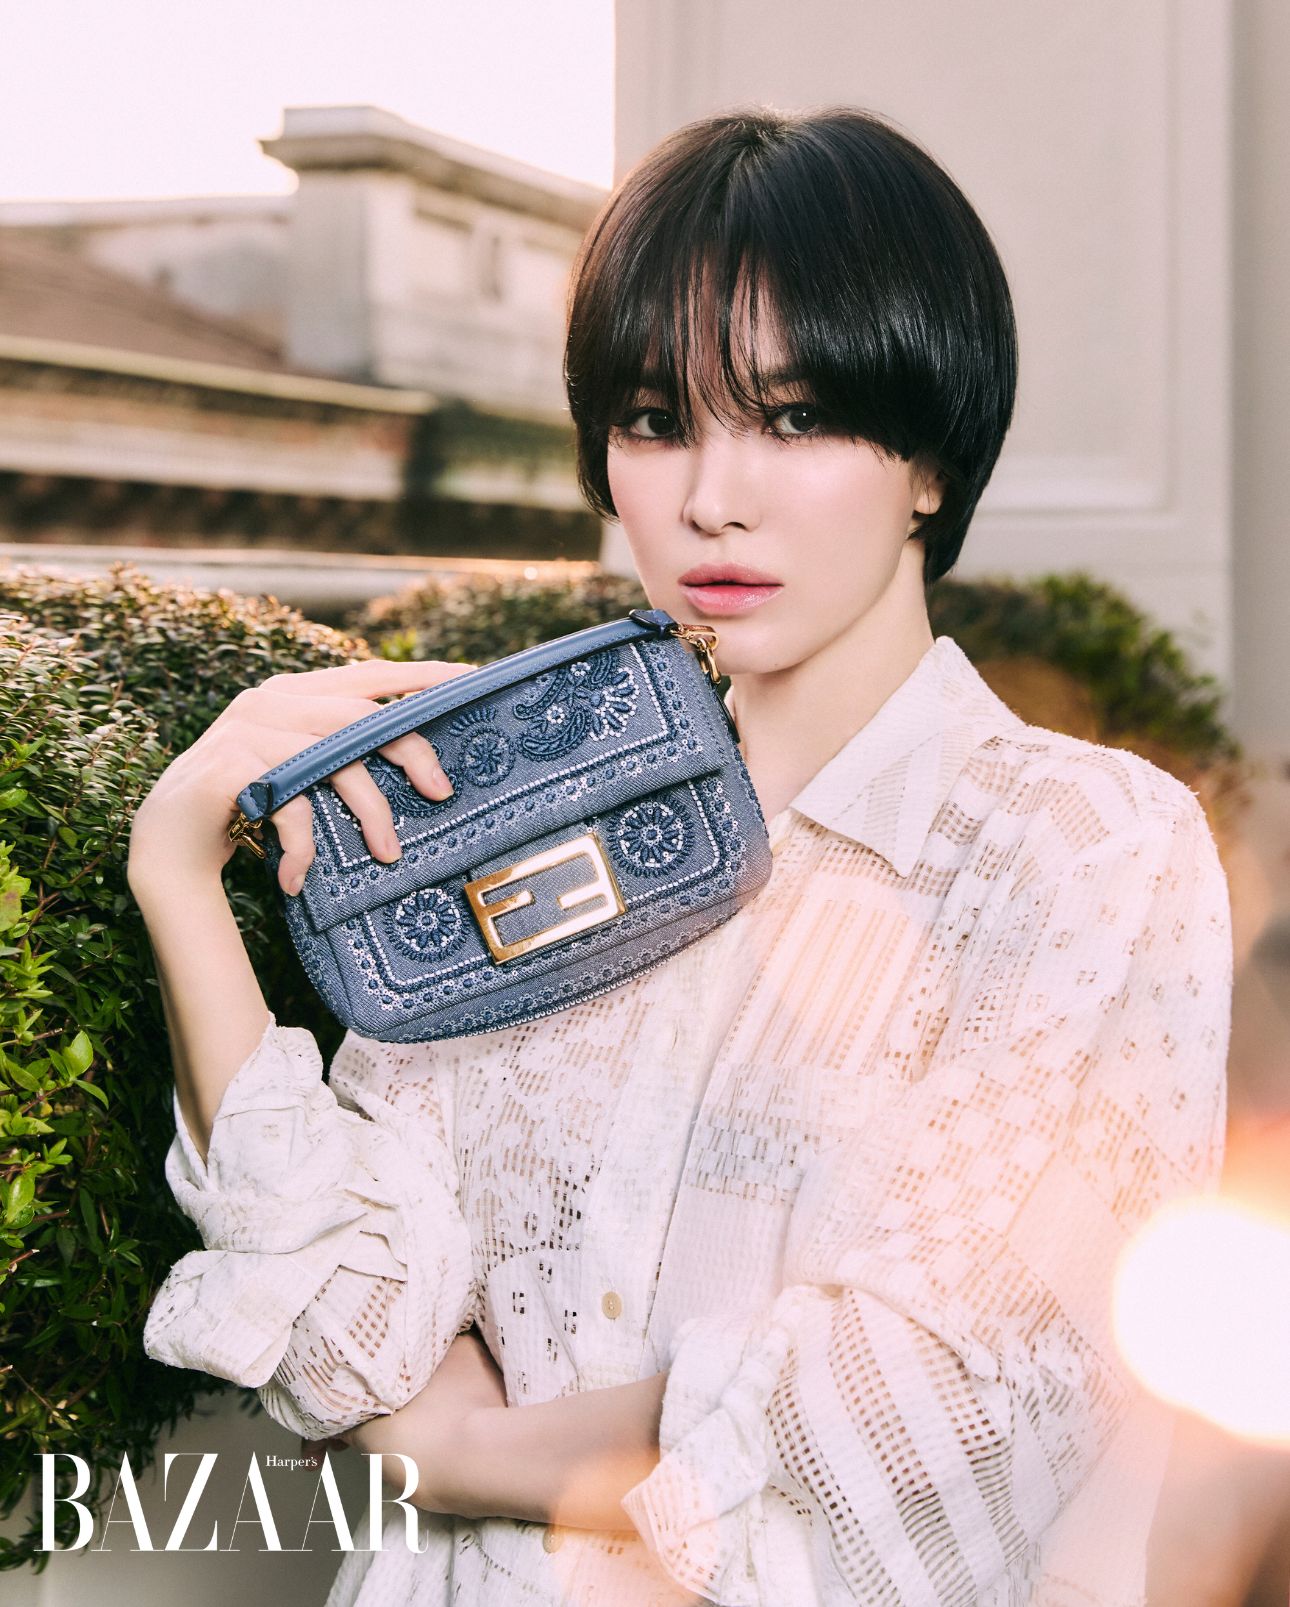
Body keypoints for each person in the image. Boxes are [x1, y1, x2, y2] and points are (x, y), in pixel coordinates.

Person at [128, 106, 1233, 1606]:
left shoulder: (1079, 849)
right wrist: (178, 877)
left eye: (794, 417)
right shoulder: (516, 821)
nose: (713, 496)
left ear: (927, 458)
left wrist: (464, 1453)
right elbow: (340, 1331)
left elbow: (924, 1409)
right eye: (655, 421)